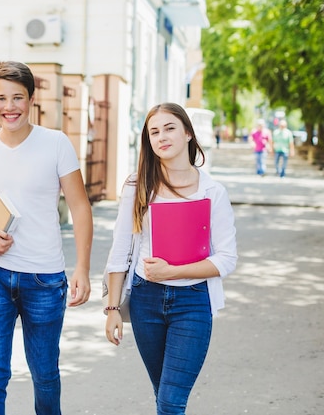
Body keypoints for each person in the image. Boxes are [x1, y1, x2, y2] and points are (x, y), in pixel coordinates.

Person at [0, 61, 93, 415]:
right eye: (1, 98)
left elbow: (80, 207)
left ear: (31, 99)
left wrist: (83, 269)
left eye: (17, 97)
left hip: (44, 278)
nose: (9, 106)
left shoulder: (56, 143)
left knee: (44, 374)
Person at [104, 102, 238, 414]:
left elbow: (227, 259)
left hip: (193, 302)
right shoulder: (138, 187)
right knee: (162, 393)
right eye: (154, 131)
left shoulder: (212, 192)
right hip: (144, 301)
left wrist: (172, 272)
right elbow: (120, 250)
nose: (161, 136)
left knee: (170, 402)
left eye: (170, 128)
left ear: (188, 133)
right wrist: (111, 308)